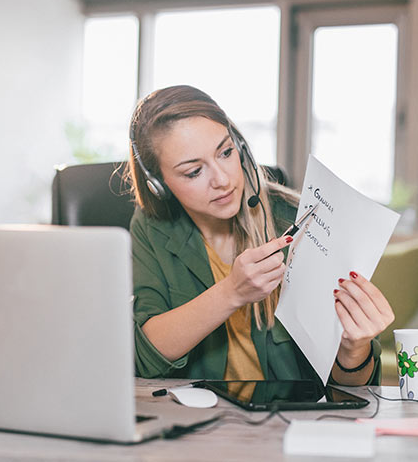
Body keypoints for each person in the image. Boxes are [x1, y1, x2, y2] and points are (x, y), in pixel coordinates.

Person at [126, 85, 394, 386]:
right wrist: (232, 293)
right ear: (158, 185)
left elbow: (350, 392)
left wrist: (353, 350)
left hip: (289, 424)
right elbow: (146, 358)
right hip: (197, 423)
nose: (223, 179)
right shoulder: (151, 227)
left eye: (226, 152)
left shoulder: (296, 220)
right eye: (193, 172)